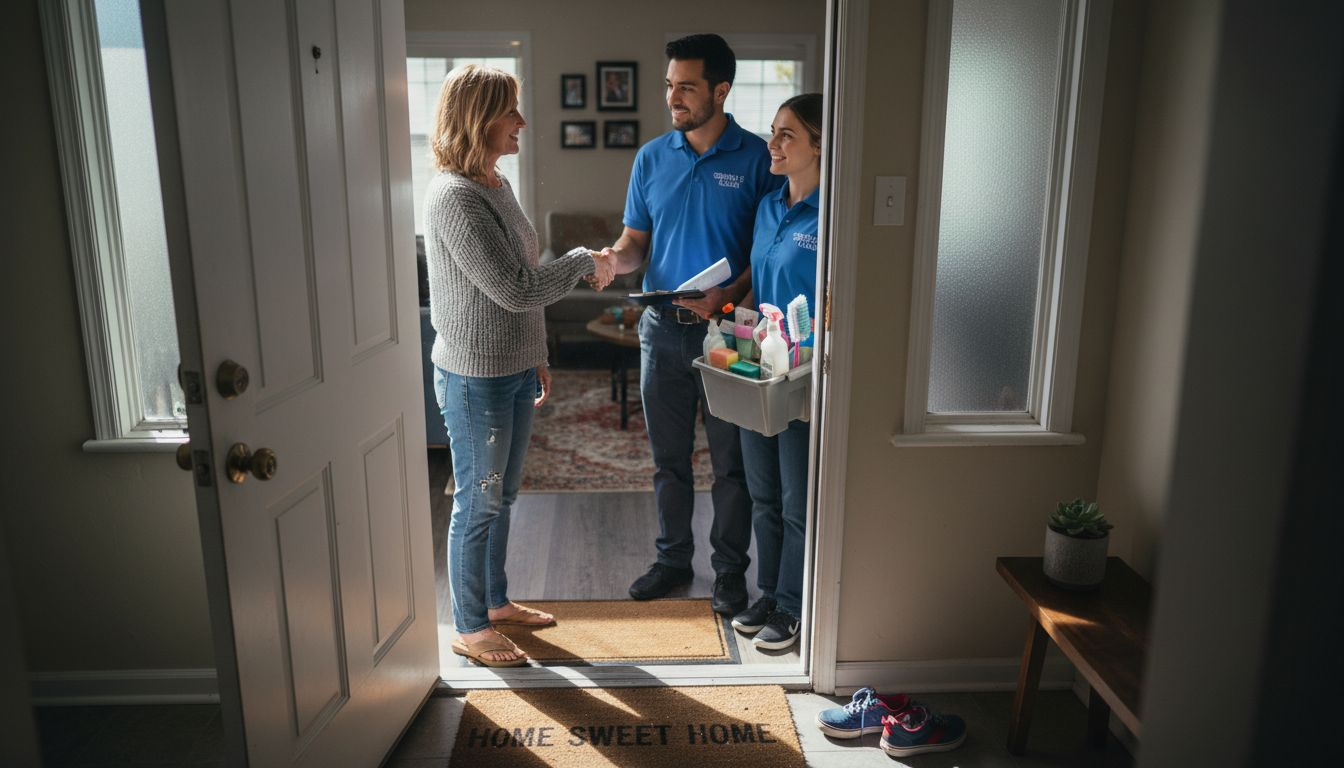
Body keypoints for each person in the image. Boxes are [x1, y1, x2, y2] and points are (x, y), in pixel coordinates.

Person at [425, 64, 615, 667]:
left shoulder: (495, 184)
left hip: (512, 366)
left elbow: (521, 279)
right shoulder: (454, 197)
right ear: (479, 117)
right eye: (511, 110)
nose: (522, 122)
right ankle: (470, 626)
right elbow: (513, 289)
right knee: (477, 501)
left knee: (502, 497)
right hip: (474, 376)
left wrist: (537, 355)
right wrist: (582, 260)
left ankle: (496, 603)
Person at [602, 34, 784, 616]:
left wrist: (730, 296)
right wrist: (611, 260)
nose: (673, 97)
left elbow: (770, 249)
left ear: (720, 90)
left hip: (729, 332)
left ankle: (729, 572)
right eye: (669, 85)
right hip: (661, 330)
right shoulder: (651, 157)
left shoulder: (758, 159)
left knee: (731, 465)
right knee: (668, 460)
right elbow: (635, 242)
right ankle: (673, 559)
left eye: (686, 86)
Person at [729, 93, 823, 651]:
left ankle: (792, 606)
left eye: (787, 134)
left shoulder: (832, 215)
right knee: (762, 493)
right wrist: (729, 327)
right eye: (773, 131)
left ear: (821, 145)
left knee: (796, 502)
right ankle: (769, 592)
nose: (773, 144)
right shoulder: (768, 207)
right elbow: (758, 281)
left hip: (803, 377)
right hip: (758, 366)